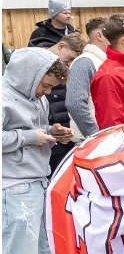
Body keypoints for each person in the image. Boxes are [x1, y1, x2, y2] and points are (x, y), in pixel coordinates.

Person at [2, 48, 75, 254]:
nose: (46, 92)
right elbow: (19, 135)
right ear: (29, 76)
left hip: (36, 178)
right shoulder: (4, 96)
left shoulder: (35, 96)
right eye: (44, 85)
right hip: (13, 184)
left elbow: (32, 130)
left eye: (50, 88)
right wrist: (32, 137)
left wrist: (52, 132)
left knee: (44, 249)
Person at [36, 33, 85, 173]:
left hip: (60, 133)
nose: (70, 64)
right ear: (61, 46)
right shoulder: (37, 64)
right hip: (42, 137)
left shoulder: (64, 66)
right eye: (70, 59)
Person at [64, 17, 108, 140]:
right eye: (113, 33)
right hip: (92, 140)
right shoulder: (84, 62)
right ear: (99, 35)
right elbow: (75, 103)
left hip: (107, 137)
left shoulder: (102, 61)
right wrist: (94, 135)